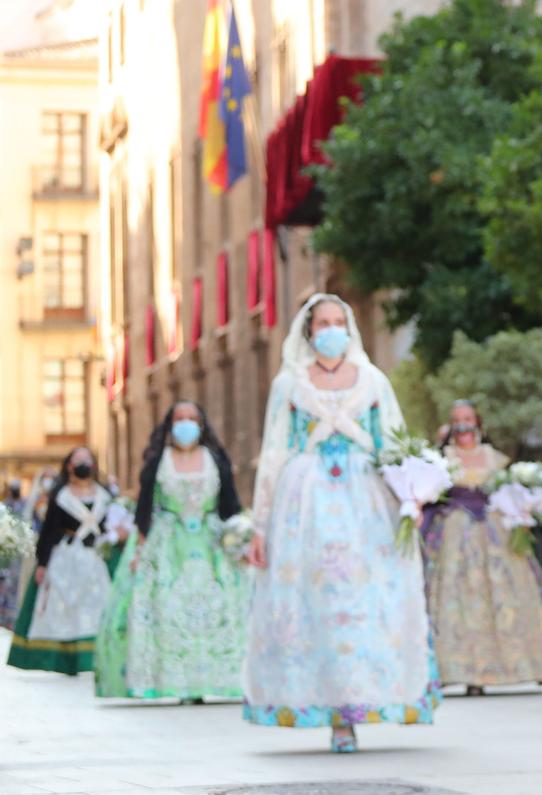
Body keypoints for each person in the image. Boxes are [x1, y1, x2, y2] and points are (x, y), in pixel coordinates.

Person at [244, 294, 438, 751]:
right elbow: (273, 454)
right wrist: (260, 525)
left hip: (364, 501)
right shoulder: (289, 385)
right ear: (309, 332)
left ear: (349, 328)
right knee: (315, 601)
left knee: (365, 598)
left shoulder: (372, 381)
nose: (331, 329)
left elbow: (394, 441)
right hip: (304, 502)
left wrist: (411, 494)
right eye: (322, 323)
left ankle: (361, 700)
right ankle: (330, 710)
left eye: (338, 321)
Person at [95, 403, 250, 702]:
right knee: (167, 608)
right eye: (179, 419)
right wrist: (140, 550)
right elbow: (144, 510)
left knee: (218, 609)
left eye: (192, 419)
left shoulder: (215, 459)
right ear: (169, 425)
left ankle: (218, 679)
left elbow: (230, 504)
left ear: (202, 425)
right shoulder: (158, 462)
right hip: (167, 544)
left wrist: (240, 538)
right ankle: (175, 681)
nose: (186, 424)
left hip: (210, 542)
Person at [420, 399, 542, 693]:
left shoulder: (495, 459)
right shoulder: (441, 460)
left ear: (478, 423)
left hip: (494, 532)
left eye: (468, 418)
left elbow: (509, 492)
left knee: (508, 593)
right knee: (456, 599)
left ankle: (528, 663)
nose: (463, 425)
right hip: (453, 534)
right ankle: (458, 670)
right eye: (457, 419)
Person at [7, 448, 126, 675]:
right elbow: (49, 531)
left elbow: (112, 524)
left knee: (98, 608)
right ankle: (66, 661)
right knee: (65, 611)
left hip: (96, 559)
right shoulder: (61, 496)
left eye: (87, 460)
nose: (82, 464)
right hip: (66, 559)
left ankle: (97, 657)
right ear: (69, 465)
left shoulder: (104, 496)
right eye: (77, 460)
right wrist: (43, 563)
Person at [0, 480, 28, 632]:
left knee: (17, 584)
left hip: (20, 553)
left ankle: (12, 618)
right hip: (6, 552)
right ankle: (4, 618)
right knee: (5, 585)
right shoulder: (4, 506)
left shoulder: (24, 505)